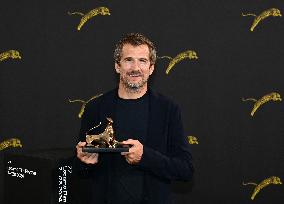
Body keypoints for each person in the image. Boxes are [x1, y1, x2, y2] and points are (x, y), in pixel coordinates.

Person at [74, 33, 194, 204]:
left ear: (151, 68)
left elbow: (185, 170)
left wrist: (145, 157)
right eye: (128, 60)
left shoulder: (168, 109)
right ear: (117, 66)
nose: (135, 68)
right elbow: (79, 171)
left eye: (142, 61)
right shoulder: (95, 108)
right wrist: (85, 162)